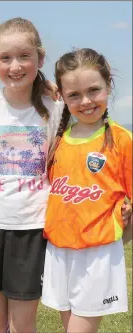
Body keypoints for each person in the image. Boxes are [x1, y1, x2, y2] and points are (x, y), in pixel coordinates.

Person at [0, 17, 65, 333]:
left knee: (22, 323)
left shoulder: (57, 106)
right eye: (5, 58)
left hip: (32, 225)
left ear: (40, 59)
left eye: (24, 56)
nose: (15, 66)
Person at [42, 48, 132, 333]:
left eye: (94, 90)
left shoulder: (121, 140)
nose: (86, 101)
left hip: (97, 254)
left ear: (109, 86)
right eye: (74, 95)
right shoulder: (58, 140)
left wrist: (124, 231)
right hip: (58, 252)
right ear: (63, 97)